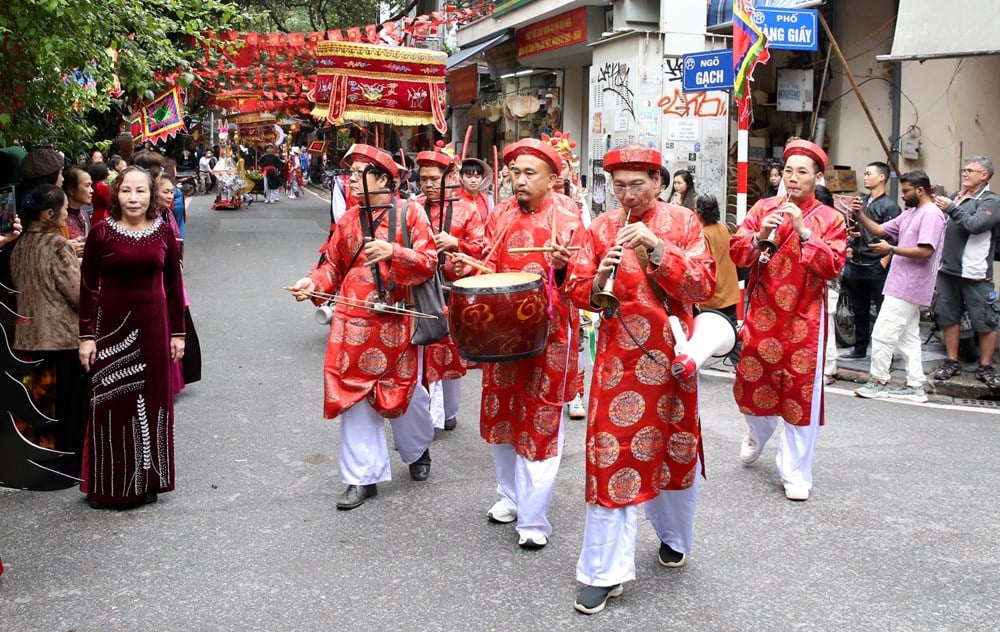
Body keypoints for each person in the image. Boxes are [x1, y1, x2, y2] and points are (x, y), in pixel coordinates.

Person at [564, 146, 715, 615]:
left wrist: (658, 249)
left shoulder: (685, 223)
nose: (627, 194)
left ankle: (673, 535)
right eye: (620, 185)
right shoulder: (599, 227)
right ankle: (604, 572)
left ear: (658, 182)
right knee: (612, 456)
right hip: (616, 361)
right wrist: (595, 279)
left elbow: (702, 287)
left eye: (638, 184)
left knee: (673, 448)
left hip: (670, 357)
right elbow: (575, 288)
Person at [452, 138, 585, 549]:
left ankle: (533, 517)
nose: (520, 180)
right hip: (502, 334)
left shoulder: (568, 217)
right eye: (515, 173)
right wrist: (466, 263)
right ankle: (510, 496)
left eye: (530, 173)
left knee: (541, 420)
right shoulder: (503, 213)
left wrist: (563, 270)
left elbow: (585, 282)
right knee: (504, 415)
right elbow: (489, 264)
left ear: (552, 177)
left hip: (551, 332)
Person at [288, 144, 437, 510]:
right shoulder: (349, 220)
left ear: (383, 178)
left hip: (398, 321)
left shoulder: (411, 213)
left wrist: (395, 252)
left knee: (407, 395)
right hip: (351, 325)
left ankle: (416, 450)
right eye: (350, 173)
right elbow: (331, 267)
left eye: (358, 173)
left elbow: (429, 262)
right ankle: (361, 478)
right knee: (354, 400)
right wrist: (313, 284)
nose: (350, 179)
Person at [729, 139, 847, 502]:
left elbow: (833, 266)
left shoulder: (830, 219)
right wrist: (762, 232)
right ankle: (757, 434)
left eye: (802, 172)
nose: (793, 179)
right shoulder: (764, 207)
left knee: (800, 395)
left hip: (805, 319)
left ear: (818, 177)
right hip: (763, 315)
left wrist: (803, 231)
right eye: (789, 171)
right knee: (753, 384)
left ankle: (795, 471)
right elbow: (738, 252)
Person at [78, 166, 185, 509]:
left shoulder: (163, 232)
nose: (134, 198)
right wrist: (86, 336)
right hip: (110, 330)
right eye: (126, 191)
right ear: (115, 194)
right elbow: (87, 286)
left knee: (152, 404)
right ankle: (108, 486)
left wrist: (178, 333)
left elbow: (173, 285)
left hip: (154, 329)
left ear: (152, 195)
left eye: (141, 191)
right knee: (110, 404)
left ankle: (148, 480)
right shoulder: (100, 234)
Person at [851, 171, 947, 402]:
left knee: (883, 333)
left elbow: (926, 251)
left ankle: (877, 380)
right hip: (901, 283)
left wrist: (891, 250)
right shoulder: (911, 212)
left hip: (909, 285)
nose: (902, 195)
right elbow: (880, 230)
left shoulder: (931, 214)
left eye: (906, 191)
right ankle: (916, 386)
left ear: (920, 190)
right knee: (908, 337)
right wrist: (859, 214)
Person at [9, 185, 86, 473]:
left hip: (27, 337)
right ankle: (69, 460)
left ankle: (39, 461)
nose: (67, 213)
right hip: (61, 338)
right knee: (67, 405)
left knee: (38, 402)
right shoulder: (58, 245)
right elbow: (77, 294)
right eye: (64, 208)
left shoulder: (19, 245)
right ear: (48, 214)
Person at [413, 147, 485, 432]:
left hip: (452, 289)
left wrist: (457, 245)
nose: (429, 185)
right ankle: (425, 413)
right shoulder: (414, 207)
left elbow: (482, 250)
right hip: (421, 290)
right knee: (423, 350)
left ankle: (447, 410)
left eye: (434, 178)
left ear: (448, 177)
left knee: (448, 353)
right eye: (423, 180)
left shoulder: (468, 210)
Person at [930, 156, 1000, 388]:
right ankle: (952, 361)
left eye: (971, 170)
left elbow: (975, 225)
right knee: (948, 317)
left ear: (984, 176)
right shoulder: (957, 197)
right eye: (965, 169)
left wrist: (951, 209)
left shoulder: (990, 201)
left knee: (986, 320)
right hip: (947, 270)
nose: (965, 173)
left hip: (976, 272)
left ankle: (986, 365)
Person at [842, 162, 901, 359]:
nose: (865, 177)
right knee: (859, 310)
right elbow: (855, 229)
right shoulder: (862, 201)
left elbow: (895, 237)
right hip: (858, 263)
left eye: (869, 174)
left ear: (882, 177)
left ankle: (886, 355)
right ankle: (860, 349)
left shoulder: (890, 206)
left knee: (884, 312)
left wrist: (884, 261)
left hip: (877, 264)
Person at [695, 193, 739, 324]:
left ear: (699, 212)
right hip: (730, 293)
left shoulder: (704, 235)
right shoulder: (724, 228)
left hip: (713, 298)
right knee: (731, 335)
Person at [61, 166, 92, 256]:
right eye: (87, 186)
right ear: (71, 189)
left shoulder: (83, 214)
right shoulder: (60, 218)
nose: (92, 190)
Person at [457, 157, 493, 222]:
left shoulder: (489, 200)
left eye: (477, 177)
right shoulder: (455, 199)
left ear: (482, 178)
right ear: (461, 177)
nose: (473, 180)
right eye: (469, 177)